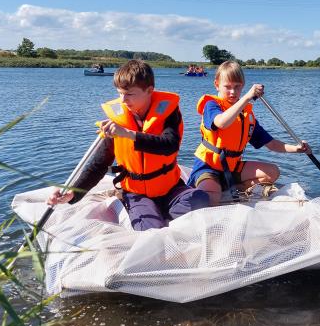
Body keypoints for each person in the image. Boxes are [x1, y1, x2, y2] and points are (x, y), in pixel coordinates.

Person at [48, 60, 209, 230]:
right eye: (120, 94)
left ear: (149, 91)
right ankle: (155, 217)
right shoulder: (117, 122)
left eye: (129, 94)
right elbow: (99, 164)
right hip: (136, 193)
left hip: (170, 188)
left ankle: (165, 216)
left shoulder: (169, 113)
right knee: (151, 229)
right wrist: (73, 193)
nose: (123, 100)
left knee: (199, 198)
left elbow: (169, 145)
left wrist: (128, 133)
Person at [187, 60, 311, 205]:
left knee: (273, 172)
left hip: (232, 168)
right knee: (211, 198)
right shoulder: (212, 105)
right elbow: (221, 122)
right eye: (227, 87)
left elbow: (271, 144)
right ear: (217, 85)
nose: (233, 92)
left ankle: (236, 189)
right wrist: (246, 97)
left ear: (242, 86)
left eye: (237, 86)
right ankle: (217, 189)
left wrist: (296, 149)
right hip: (208, 166)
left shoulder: (247, 116)